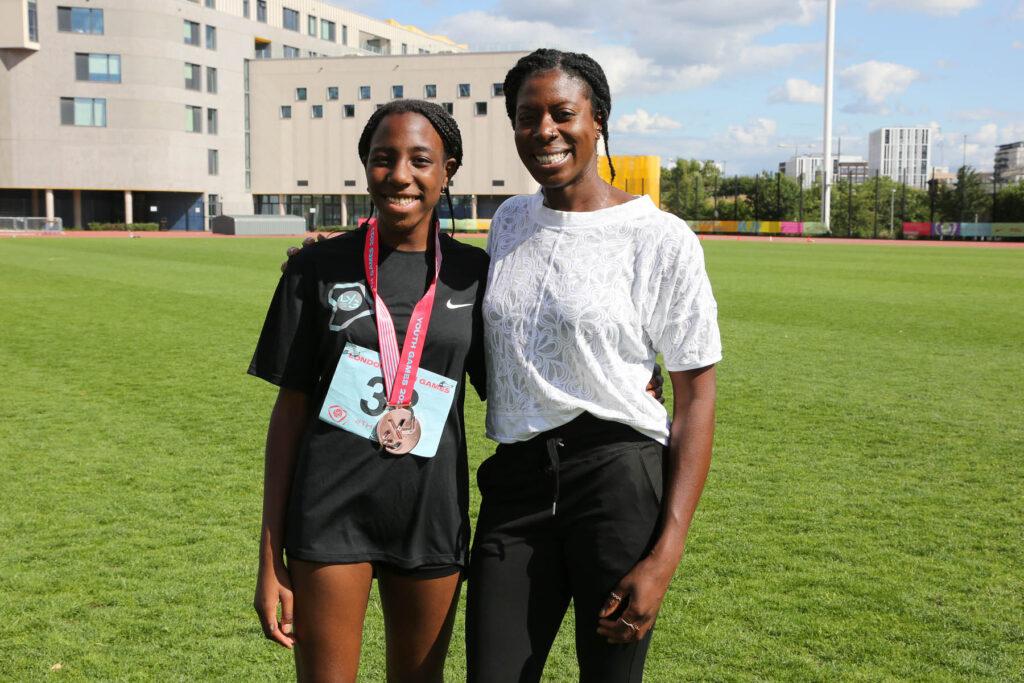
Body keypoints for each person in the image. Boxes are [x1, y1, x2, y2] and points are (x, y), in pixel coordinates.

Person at [465, 49, 721, 682]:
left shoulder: (659, 238)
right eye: (527, 117)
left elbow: (696, 400)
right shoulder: (509, 222)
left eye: (562, 113)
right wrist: (340, 259)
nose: (544, 131)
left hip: (617, 481)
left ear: (599, 119)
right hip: (517, 481)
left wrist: (664, 556)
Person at [249, 99, 489, 682]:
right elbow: (290, 415)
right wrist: (268, 556)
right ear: (365, 166)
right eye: (384, 158)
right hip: (330, 512)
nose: (400, 174)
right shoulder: (314, 269)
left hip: (431, 516)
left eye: (420, 159)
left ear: (447, 170)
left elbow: (518, 389)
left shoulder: (477, 275)